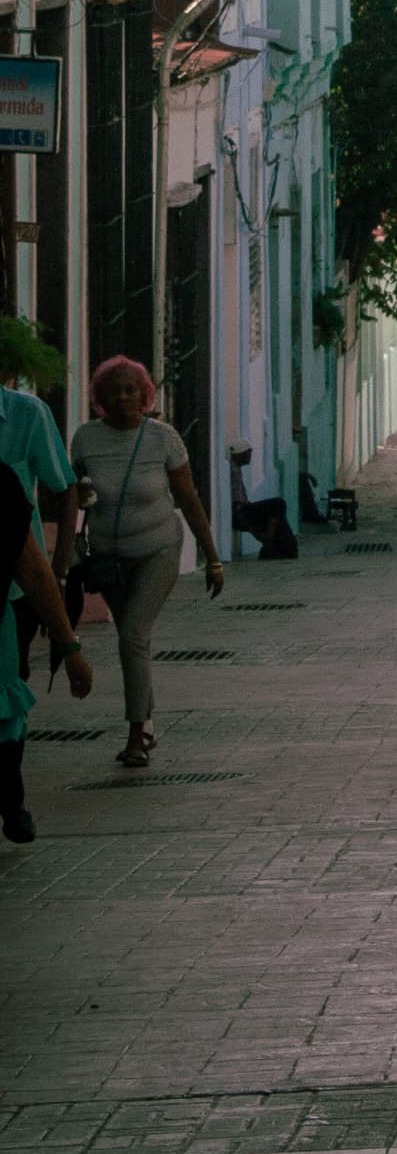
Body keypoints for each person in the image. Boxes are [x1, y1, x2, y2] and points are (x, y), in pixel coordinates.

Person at [71, 357, 223, 770]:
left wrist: (213, 559)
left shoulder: (163, 439)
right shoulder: (85, 440)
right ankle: (148, 722)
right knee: (132, 640)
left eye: (130, 390)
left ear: (144, 395)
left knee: (132, 636)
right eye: (114, 391)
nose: (123, 398)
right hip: (108, 558)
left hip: (158, 549)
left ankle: (137, 735)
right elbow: (70, 494)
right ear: (100, 398)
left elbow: (189, 499)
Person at [0, 343, 81, 844]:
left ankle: (11, 798)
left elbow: (63, 484)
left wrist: (61, 564)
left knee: (13, 685)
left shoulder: (26, 415)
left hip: (17, 580)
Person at [0, 466, 93, 843]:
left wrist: (69, 647)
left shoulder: (2, 487)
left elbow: (35, 574)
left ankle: (11, 802)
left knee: (6, 726)